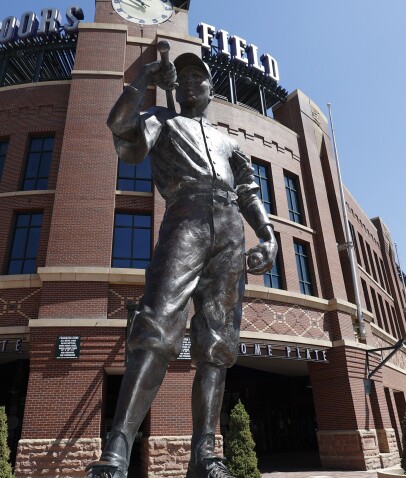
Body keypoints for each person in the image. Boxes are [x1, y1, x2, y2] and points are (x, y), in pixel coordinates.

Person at [85, 50, 277, 478]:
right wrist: (144, 78)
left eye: (199, 77)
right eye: (184, 77)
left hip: (229, 231)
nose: (191, 83)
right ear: (176, 85)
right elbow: (119, 127)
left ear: (211, 90)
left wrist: (267, 234)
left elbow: (247, 190)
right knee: (155, 329)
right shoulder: (160, 118)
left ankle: (205, 456)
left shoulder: (229, 140)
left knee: (218, 345)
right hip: (185, 219)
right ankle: (116, 453)